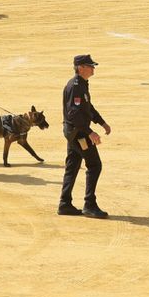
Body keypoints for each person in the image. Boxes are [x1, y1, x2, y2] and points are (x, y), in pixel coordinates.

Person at [60, 53, 111, 218]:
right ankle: (89, 204)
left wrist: (101, 122)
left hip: (73, 132)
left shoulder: (81, 84)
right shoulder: (76, 86)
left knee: (72, 166)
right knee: (95, 165)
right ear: (80, 68)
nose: (93, 68)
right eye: (90, 66)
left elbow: (87, 107)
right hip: (79, 133)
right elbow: (74, 114)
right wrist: (90, 132)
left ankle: (64, 204)